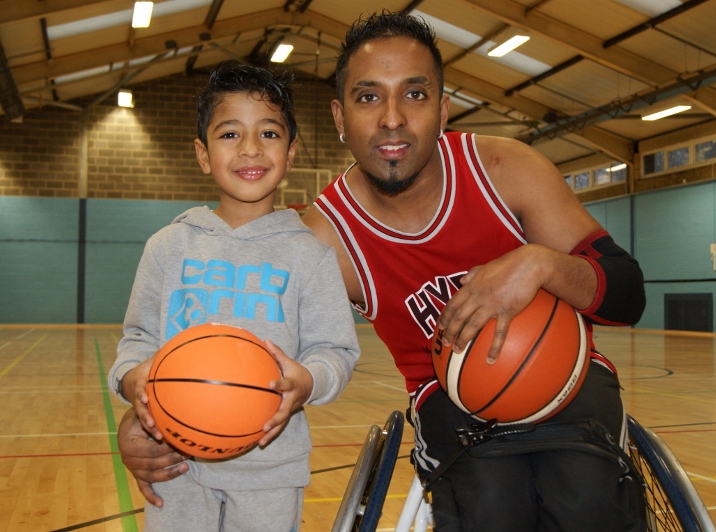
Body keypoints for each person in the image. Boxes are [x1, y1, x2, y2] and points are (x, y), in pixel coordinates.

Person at [117, 11, 648, 531]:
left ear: (443, 110)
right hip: (452, 405)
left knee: (587, 502)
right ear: (340, 119)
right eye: (369, 96)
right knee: (492, 509)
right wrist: (150, 410)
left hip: (569, 382)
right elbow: (239, 341)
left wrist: (540, 263)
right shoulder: (324, 235)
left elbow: (627, 293)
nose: (392, 117)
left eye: (414, 94)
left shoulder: (506, 170)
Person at [108, 60, 359, 531]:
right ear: (203, 155)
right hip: (174, 462)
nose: (250, 149)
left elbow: (336, 352)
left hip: (271, 466)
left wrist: (308, 381)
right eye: (229, 135)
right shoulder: (169, 246)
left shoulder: (313, 257)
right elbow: (137, 341)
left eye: (269, 133)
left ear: (291, 151)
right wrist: (132, 380)